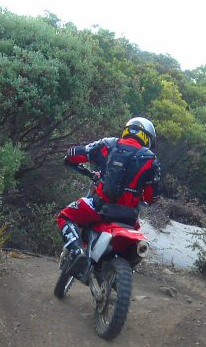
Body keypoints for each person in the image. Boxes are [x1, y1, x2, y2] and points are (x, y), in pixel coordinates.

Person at [56, 116, 161, 273]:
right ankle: (124, 269)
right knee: (137, 242)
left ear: (127, 130)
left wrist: (71, 155)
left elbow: (79, 154)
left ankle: (76, 251)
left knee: (64, 216)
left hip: (99, 207)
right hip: (129, 218)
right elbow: (151, 198)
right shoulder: (151, 160)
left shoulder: (108, 144)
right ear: (148, 137)